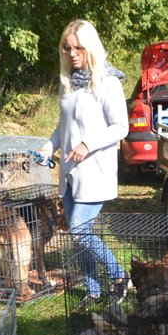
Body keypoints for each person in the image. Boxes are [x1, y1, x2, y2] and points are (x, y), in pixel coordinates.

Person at [40, 19, 129, 310]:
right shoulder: (68, 83)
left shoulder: (107, 82)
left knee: (79, 230)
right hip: (69, 174)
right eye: (67, 48)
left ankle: (119, 277)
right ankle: (94, 290)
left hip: (95, 172)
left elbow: (120, 127)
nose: (72, 53)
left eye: (78, 47)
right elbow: (63, 125)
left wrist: (88, 144)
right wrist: (49, 145)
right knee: (79, 238)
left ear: (91, 47)